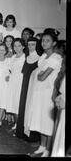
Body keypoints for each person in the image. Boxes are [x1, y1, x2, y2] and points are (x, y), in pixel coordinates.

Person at [26, 29, 62, 157]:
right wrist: (40, 73)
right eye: (43, 40)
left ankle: (48, 150)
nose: (44, 43)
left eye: (48, 41)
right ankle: (42, 146)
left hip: (48, 93)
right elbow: (39, 74)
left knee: (47, 121)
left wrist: (40, 73)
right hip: (38, 92)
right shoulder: (43, 57)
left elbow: (41, 77)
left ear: (53, 43)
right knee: (40, 119)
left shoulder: (56, 58)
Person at [16, 37, 40, 141]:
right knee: (23, 107)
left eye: (33, 44)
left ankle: (31, 135)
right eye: (29, 44)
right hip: (25, 87)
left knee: (31, 109)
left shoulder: (39, 58)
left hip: (33, 88)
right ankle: (22, 132)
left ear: (37, 45)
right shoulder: (26, 58)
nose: (30, 47)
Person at [5, 38, 26, 134]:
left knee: (18, 104)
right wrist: (8, 76)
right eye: (15, 46)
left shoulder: (25, 57)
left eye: (19, 46)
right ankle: (16, 124)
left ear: (23, 46)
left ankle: (19, 126)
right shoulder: (13, 57)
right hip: (12, 82)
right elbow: (9, 70)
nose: (17, 48)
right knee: (13, 104)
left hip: (20, 82)